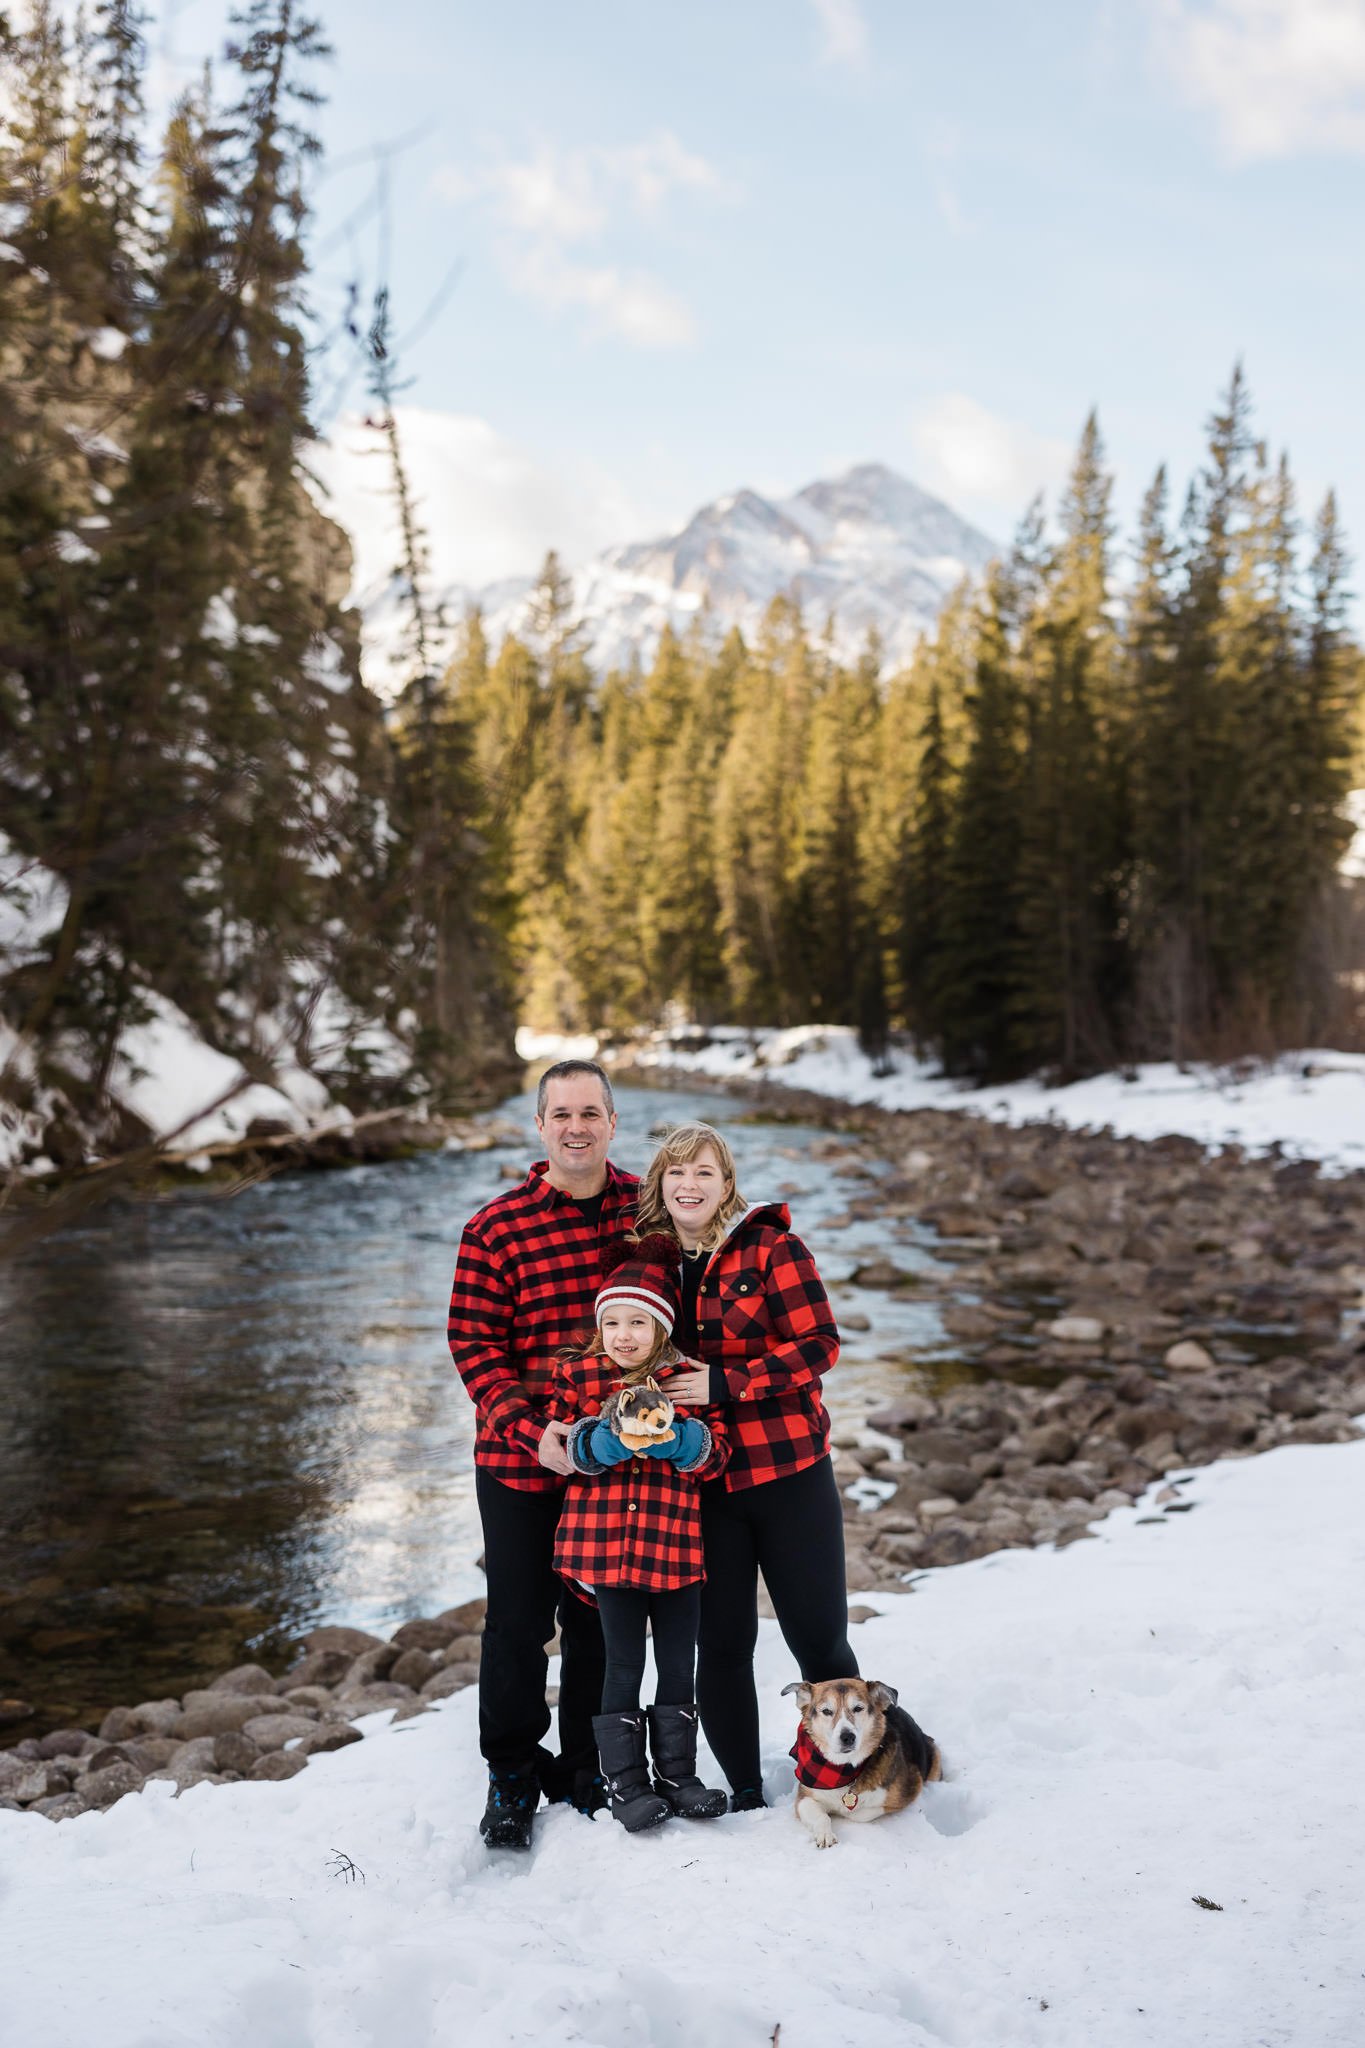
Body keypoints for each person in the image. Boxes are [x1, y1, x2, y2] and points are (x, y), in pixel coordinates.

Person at [636, 1120, 858, 1809]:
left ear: (726, 1183)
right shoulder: (651, 1266)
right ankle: (747, 1793)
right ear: (660, 1187)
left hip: (788, 1472)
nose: (689, 1185)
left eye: (704, 1172)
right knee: (723, 1648)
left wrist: (727, 1383)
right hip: (703, 1486)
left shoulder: (772, 1249)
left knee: (818, 1640)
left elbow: (820, 1344)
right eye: (676, 1173)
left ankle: (844, 1777)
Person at [447, 1058, 636, 1850]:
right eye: (561, 1114)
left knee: (596, 1618)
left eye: (590, 1113)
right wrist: (535, 1432)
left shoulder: (646, 1210)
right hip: (520, 1460)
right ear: (539, 1126)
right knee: (517, 1624)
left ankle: (588, 1764)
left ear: (611, 1123)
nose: (576, 1127)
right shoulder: (495, 1227)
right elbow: (473, 1344)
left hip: (618, 1458)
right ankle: (512, 1774)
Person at [549, 1238, 730, 1833]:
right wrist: (603, 1441)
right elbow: (569, 1449)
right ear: (599, 1326)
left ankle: (678, 1776)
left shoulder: (685, 1381)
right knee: (623, 1664)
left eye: (639, 1322)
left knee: (680, 1661)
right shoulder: (578, 1375)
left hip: (673, 1546)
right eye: (613, 1322)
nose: (624, 1334)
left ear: (661, 1327)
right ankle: (625, 1783)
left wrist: (679, 1440)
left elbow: (717, 1456)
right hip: (607, 1551)